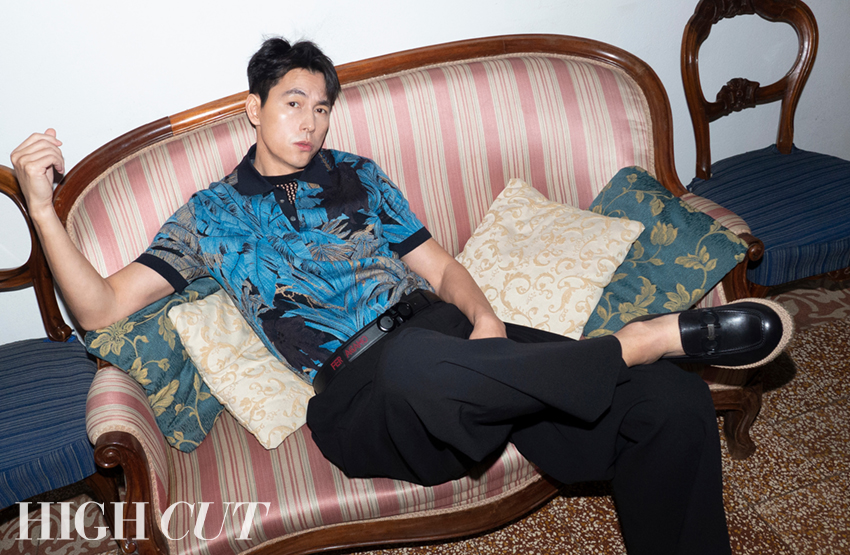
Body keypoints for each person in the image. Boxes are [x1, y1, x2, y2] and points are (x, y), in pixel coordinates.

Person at [11, 37, 793, 555]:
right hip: (360, 396)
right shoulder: (210, 217)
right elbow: (101, 308)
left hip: (452, 348)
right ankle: (634, 340)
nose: (311, 121)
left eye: (322, 106)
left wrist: (486, 322)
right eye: (293, 102)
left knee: (669, 402)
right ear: (254, 108)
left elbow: (441, 269)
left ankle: (628, 364)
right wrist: (44, 210)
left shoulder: (358, 176)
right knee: (415, 362)